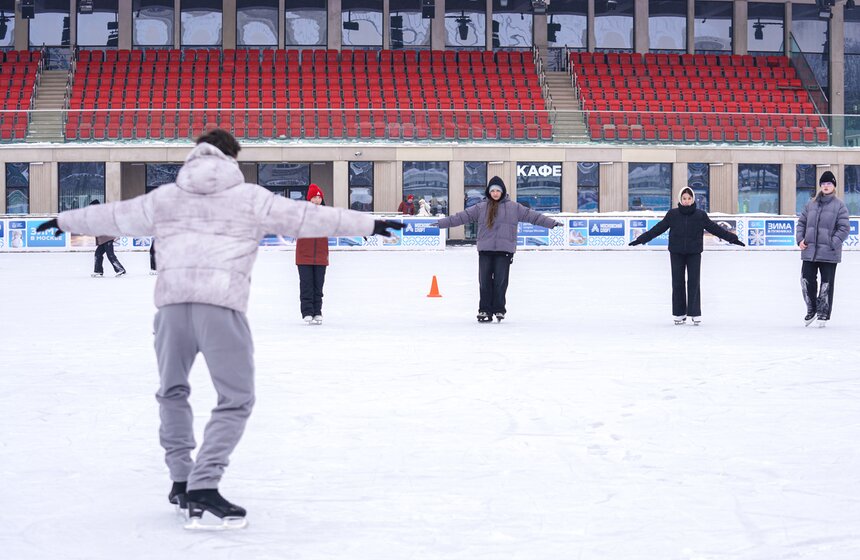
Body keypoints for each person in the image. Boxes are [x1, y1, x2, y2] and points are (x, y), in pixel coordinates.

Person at [36, 129, 403, 529]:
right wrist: (370, 223)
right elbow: (308, 217)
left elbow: (115, 215)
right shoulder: (249, 197)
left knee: (172, 392)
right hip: (221, 308)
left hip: (172, 310)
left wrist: (64, 219)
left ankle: (181, 479)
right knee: (236, 398)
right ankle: (204, 483)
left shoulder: (166, 197)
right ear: (232, 158)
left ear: (195, 155)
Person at [434, 176, 562, 323]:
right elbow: (461, 217)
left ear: (503, 192)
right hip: (486, 249)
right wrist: (441, 223)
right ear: (489, 192)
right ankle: (484, 310)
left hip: (504, 250)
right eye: (493, 191)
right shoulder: (481, 207)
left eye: (498, 191)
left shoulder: (514, 208)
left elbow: (533, 216)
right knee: (485, 282)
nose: (495, 193)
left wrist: (552, 223)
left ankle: (499, 310)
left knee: (500, 282)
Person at [628, 186, 745, 325]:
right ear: (680, 199)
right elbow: (658, 229)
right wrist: (641, 239)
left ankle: (695, 313)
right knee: (677, 283)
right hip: (676, 252)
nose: (687, 201)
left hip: (694, 253)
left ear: (693, 199)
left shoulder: (700, 215)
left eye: (689, 198)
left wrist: (732, 239)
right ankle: (679, 313)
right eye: (684, 198)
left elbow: (715, 229)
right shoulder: (672, 214)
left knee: (694, 282)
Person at [796, 170, 850, 327]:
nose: (826, 186)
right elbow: (801, 223)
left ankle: (823, 314)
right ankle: (812, 309)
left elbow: (844, 228)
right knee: (806, 280)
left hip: (829, 252)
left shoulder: (839, 205)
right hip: (809, 250)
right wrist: (800, 239)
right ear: (820, 186)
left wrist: (833, 243)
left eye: (829, 184)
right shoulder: (811, 204)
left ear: (834, 186)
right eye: (824, 184)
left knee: (826, 284)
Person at [296, 184, 329, 325]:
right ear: (309, 199)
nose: (317, 200)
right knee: (306, 285)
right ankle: (307, 312)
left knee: (318, 287)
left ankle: (317, 312)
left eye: (319, 197)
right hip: (304, 256)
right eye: (314, 197)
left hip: (321, 256)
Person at [89, 200, 127, 278]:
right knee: (98, 254)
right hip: (103, 239)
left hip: (107, 237)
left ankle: (120, 269)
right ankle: (98, 271)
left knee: (110, 255)